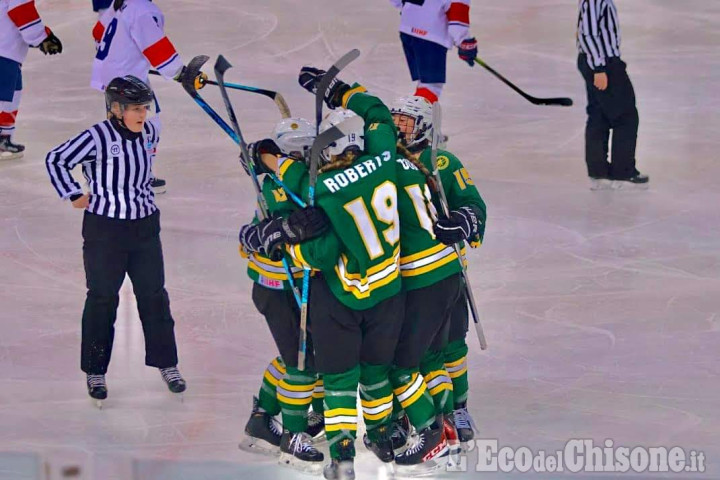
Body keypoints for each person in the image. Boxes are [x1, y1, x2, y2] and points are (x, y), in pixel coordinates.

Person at [261, 69, 407, 480]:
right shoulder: (384, 155)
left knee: (340, 378)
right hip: (390, 293)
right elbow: (377, 112)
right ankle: (380, 437)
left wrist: (265, 156)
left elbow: (322, 252)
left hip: (345, 298)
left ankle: (342, 453)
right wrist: (341, 92)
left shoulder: (321, 188)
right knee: (376, 373)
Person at [45, 76, 185, 405]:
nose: (142, 115)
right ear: (116, 109)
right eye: (135, 108)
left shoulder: (150, 131)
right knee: (102, 298)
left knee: (154, 296)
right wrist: (73, 192)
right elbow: (56, 159)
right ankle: (96, 370)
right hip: (105, 230)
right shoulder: (97, 136)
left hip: (145, 227)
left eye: (145, 108)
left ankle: (168, 364)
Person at [390, 95, 487, 447]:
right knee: (411, 352)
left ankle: (457, 409)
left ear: (424, 127)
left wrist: (465, 220)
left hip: (444, 275)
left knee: (450, 347)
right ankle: (405, 413)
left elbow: (474, 204)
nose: (399, 127)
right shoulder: (383, 161)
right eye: (395, 119)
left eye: (407, 121)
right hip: (400, 277)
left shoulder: (442, 161)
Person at [236, 118, 328, 473]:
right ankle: (292, 436)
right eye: (307, 151)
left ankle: (262, 418)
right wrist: (273, 235)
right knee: (301, 364)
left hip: (297, 286)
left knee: (305, 358)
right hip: (278, 289)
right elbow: (249, 241)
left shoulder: (297, 184)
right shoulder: (277, 189)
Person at [90, 0, 205, 193]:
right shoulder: (141, 9)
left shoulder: (121, 3)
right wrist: (180, 73)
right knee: (147, 124)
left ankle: (122, 174)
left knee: (123, 125)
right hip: (126, 78)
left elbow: (97, 33)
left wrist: (122, 54)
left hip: (112, 74)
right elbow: (156, 46)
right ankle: (137, 177)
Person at [577, 0, 648, 190]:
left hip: (599, 62)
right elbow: (587, 34)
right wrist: (599, 68)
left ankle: (599, 172)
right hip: (603, 64)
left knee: (599, 115)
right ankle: (623, 172)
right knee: (626, 116)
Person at [0, 0, 62, 160]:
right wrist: (42, 37)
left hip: (8, 51)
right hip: (3, 51)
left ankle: (3, 138)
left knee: (13, 93)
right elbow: (21, 11)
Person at [389, 0, 476, 103]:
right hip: (430, 37)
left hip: (407, 29)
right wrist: (465, 43)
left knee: (425, 82)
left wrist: (410, 11)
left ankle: (416, 113)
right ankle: (415, 116)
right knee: (431, 86)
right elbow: (457, 22)